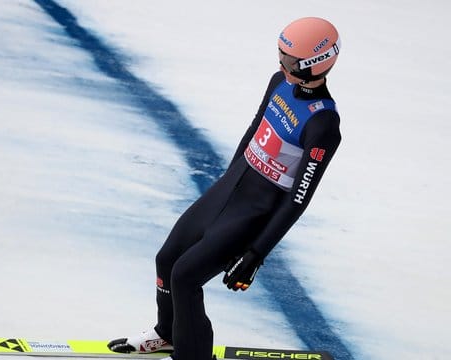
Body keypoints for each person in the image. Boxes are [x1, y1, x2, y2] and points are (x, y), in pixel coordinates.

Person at [107, 17, 342, 360]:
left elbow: (298, 198)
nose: (281, 64)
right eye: (280, 54)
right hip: (229, 191)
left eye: (290, 60)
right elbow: (252, 131)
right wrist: (225, 183)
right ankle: (168, 332)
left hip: (254, 211)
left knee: (186, 278)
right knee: (167, 259)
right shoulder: (278, 81)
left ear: (315, 64)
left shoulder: (323, 123)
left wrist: (255, 254)